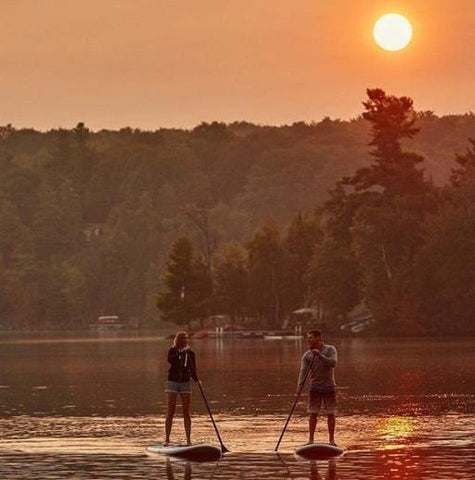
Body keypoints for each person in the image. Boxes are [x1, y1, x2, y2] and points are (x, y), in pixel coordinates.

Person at [297, 330, 338, 445]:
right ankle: (310, 440)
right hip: (315, 387)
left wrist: (319, 355)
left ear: (318, 338)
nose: (308, 340)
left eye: (311, 338)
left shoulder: (330, 349)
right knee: (313, 413)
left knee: (330, 413)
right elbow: (303, 372)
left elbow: (333, 363)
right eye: (308, 338)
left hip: (329, 386)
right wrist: (300, 386)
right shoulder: (307, 355)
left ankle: (332, 440)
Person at [165, 331, 198, 445]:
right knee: (170, 412)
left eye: (187, 339)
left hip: (185, 383)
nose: (186, 341)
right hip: (172, 382)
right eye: (184, 339)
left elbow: (193, 369)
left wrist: (197, 380)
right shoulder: (172, 351)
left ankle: (188, 440)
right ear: (179, 340)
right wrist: (180, 353)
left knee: (186, 412)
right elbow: (171, 360)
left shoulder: (191, 354)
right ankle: (167, 439)